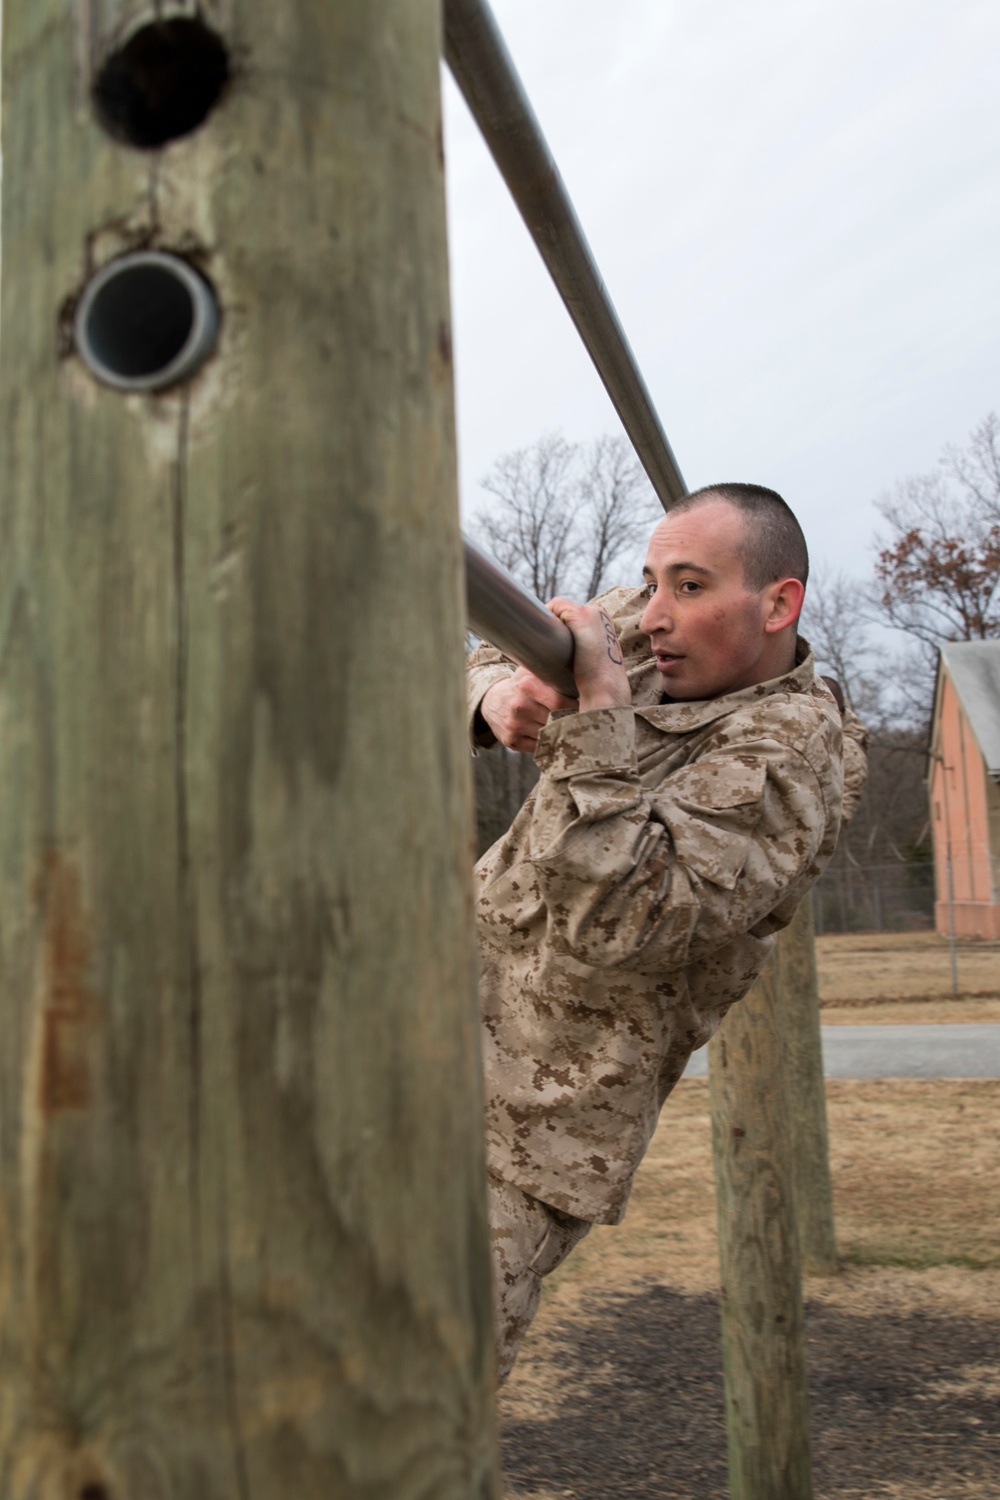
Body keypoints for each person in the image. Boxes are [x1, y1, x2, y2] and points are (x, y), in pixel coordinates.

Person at [466, 483, 848, 1382]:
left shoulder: (789, 757)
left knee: (408, 1406)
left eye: (688, 586)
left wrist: (598, 718)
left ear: (777, 603)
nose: (653, 615)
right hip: (417, 1023)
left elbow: (624, 919)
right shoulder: (644, 627)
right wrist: (494, 701)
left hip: (529, 1129)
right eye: (650, 579)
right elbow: (493, 645)